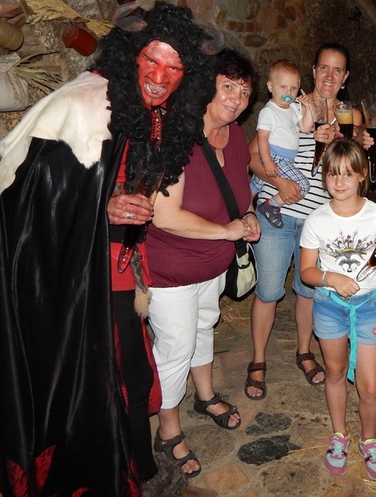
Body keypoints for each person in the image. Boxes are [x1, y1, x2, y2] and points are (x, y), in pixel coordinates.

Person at [0, 1, 218, 494]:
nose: (160, 76)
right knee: (105, 380)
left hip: (121, 266)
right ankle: (112, 474)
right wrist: (103, 208)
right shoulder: (86, 104)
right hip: (81, 273)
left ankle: (137, 465)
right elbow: (32, 192)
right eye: (151, 60)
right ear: (131, 55)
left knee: (131, 375)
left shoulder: (153, 111)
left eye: (174, 67)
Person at [145, 50, 261, 476]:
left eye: (244, 92)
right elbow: (164, 215)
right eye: (228, 86)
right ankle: (168, 429)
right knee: (175, 347)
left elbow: (242, 191)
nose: (236, 99)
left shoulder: (235, 136)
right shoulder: (177, 135)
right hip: (171, 268)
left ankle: (205, 394)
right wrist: (228, 231)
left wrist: (248, 216)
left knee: (203, 326)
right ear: (206, 86)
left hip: (213, 264)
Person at [244, 43, 362, 400]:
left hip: (318, 222)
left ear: (345, 77)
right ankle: (258, 360)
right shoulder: (292, 104)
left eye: (337, 70)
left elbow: (355, 170)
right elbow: (251, 156)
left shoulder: (350, 117)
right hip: (278, 214)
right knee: (268, 291)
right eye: (324, 67)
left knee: (308, 291)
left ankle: (304, 351)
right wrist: (279, 181)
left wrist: (352, 141)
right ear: (313, 71)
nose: (329, 75)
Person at [300, 140, 376, 481]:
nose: (339, 182)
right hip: (330, 306)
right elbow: (306, 272)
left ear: (362, 176)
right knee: (335, 371)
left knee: (369, 385)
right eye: (332, 174)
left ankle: (369, 440)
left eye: (348, 174)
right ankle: (339, 435)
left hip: (368, 306)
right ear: (324, 177)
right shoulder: (316, 219)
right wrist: (331, 278)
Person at [252, 59, 314, 228]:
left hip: (286, 159)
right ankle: (271, 205)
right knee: (303, 186)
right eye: (283, 87)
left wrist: (308, 108)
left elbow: (305, 127)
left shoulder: (293, 108)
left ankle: (242, 207)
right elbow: (262, 138)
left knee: (255, 185)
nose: (288, 92)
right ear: (270, 86)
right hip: (276, 157)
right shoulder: (269, 111)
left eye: (293, 88)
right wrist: (268, 162)